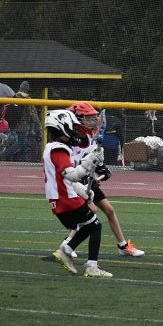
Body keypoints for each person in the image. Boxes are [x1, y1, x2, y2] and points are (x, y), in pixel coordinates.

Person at [61, 101, 145, 258]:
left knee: (109, 210)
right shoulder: (70, 140)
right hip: (74, 182)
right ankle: (67, 243)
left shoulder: (90, 137)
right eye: (88, 118)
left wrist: (102, 169)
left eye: (93, 118)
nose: (93, 121)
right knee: (90, 212)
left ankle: (123, 246)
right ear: (77, 118)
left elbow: (93, 158)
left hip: (87, 181)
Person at [43, 109, 111, 278]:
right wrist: (89, 162)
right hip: (65, 199)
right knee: (95, 226)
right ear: (63, 126)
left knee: (89, 226)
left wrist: (83, 191)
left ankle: (66, 250)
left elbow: (66, 179)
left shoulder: (52, 147)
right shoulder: (59, 149)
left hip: (61, 197)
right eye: (72, 127)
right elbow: (71, 175)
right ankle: (91, 266)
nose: (75, 131)